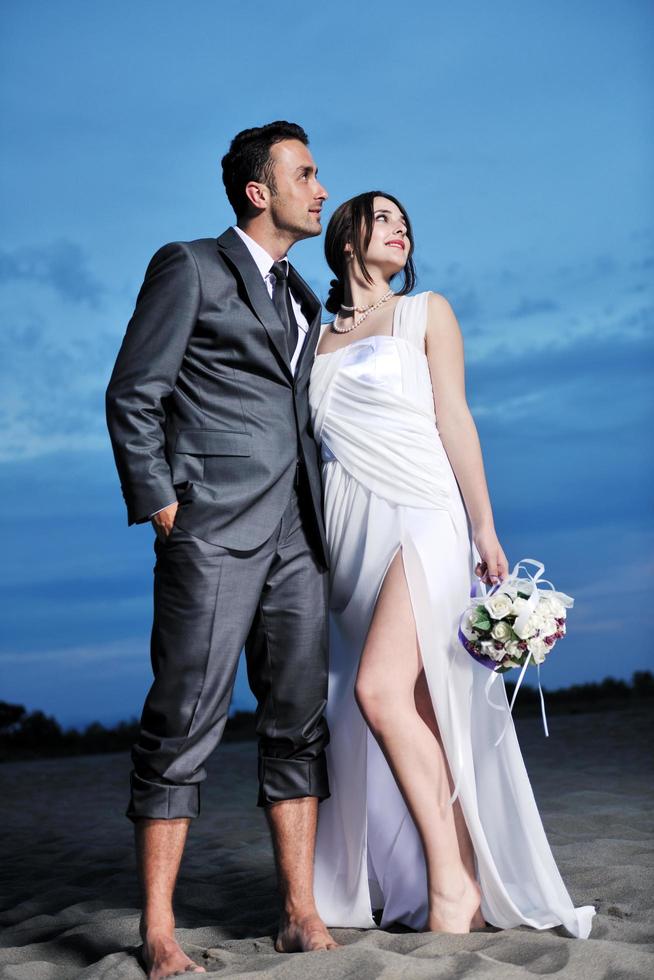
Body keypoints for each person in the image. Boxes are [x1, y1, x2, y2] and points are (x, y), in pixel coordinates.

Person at [309, 191, 595, 938]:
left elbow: (454, 416)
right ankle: (442, 871)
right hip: (348, 534)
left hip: (420, 511)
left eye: (406, 224)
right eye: (383, 220)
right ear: (347, 238)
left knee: (378, 691)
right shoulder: (311, 335)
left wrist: (484, 525)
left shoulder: (426, 310)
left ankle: (452, 883)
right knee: (412, 706)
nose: (399, 231)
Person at [106, 121, 338, 980]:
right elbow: (134, 393)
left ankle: (299, 913)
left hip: (296, 538)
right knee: (184, 719)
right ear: (258, 190)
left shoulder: (306, 297)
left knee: (297, 723)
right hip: (211, 533)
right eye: (306, 174)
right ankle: (158, 932)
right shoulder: (191, 266)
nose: (320, 189)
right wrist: (166, 507)